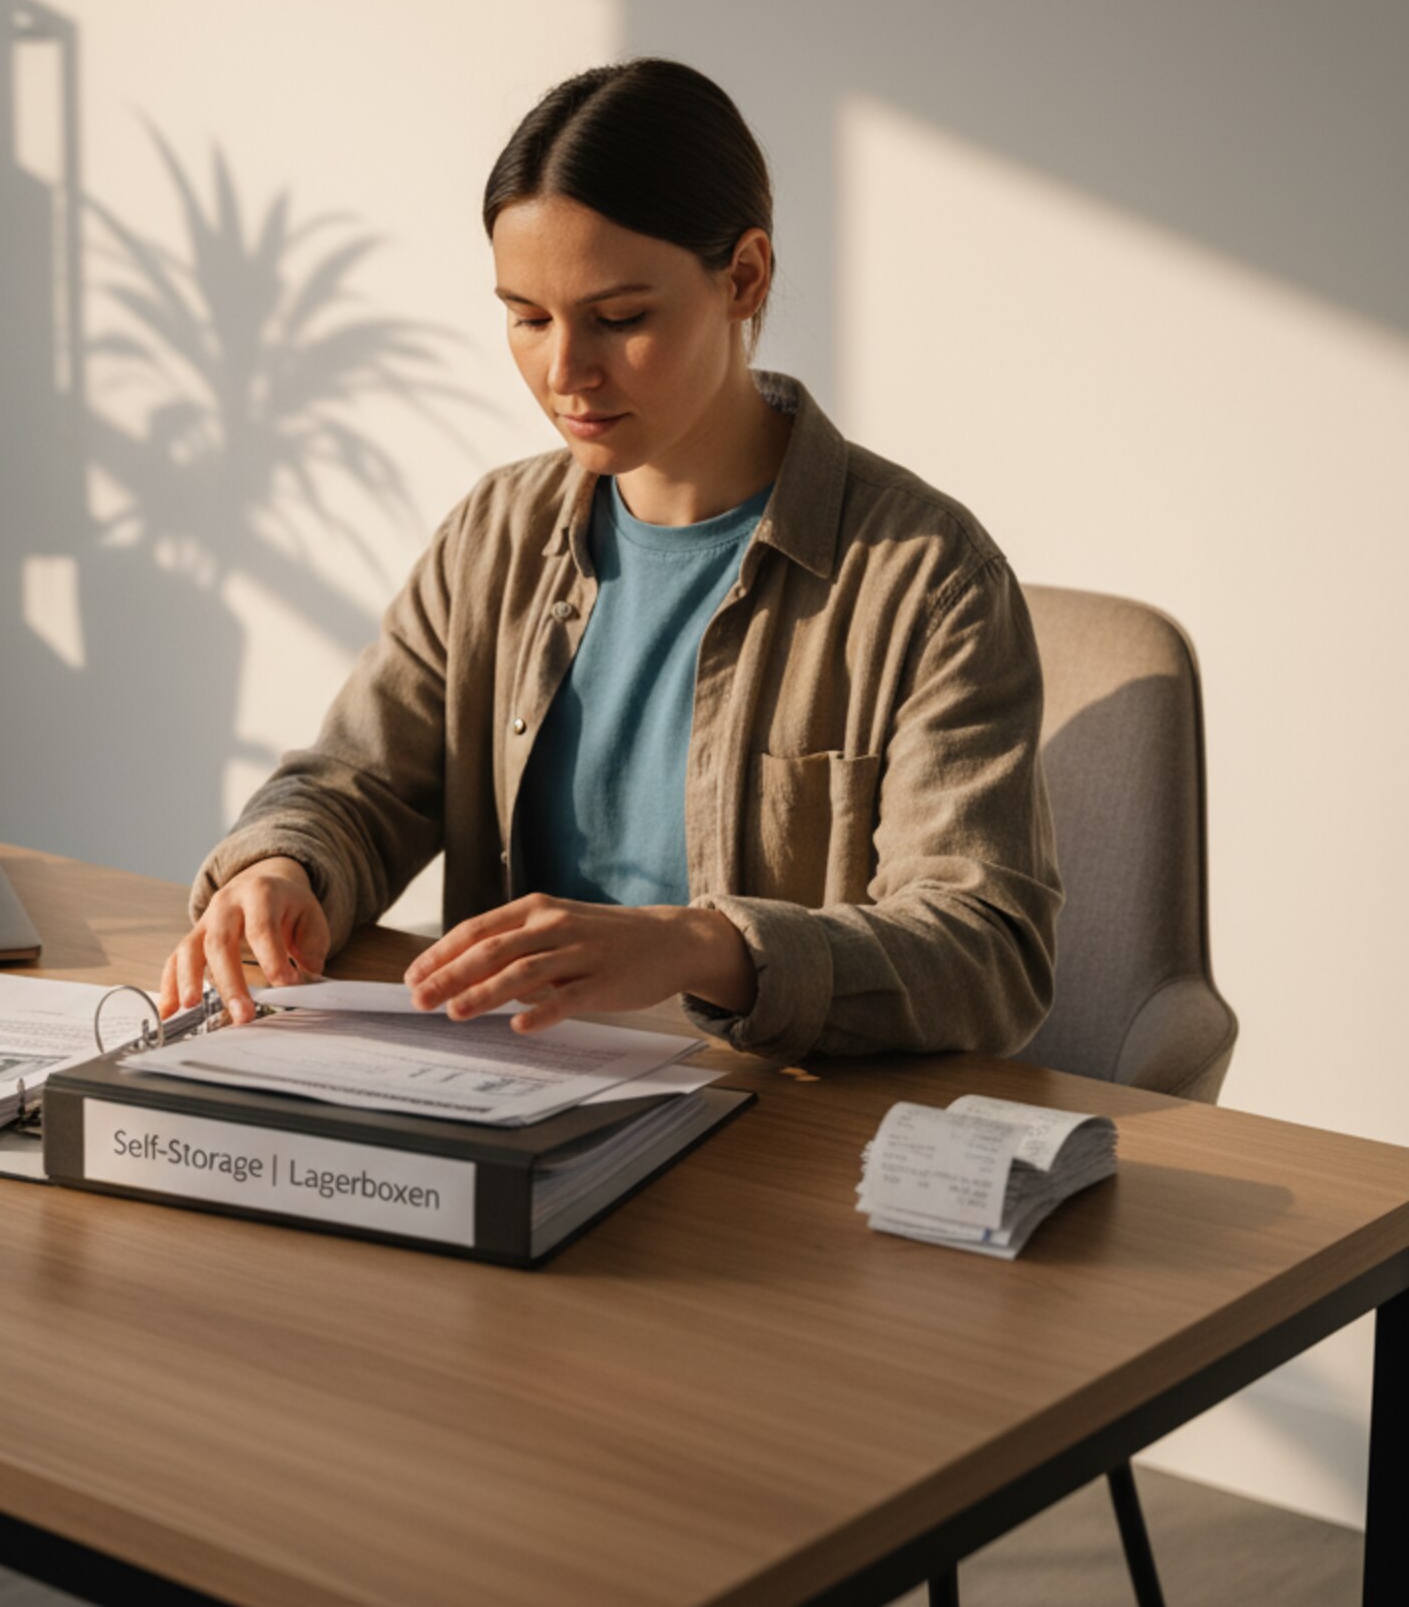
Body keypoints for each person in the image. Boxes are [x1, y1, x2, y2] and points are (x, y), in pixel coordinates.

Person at [156, 59, 1059, 1064]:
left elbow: (989, 953)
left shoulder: (926, 581)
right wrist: (282, 866)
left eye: (618, 318)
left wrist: (703, 945)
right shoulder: (493, 533)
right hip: (510, 1100)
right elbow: (356, 785)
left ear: (744, 277)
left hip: (774, 1136)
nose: (563, 371)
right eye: (526, 316)